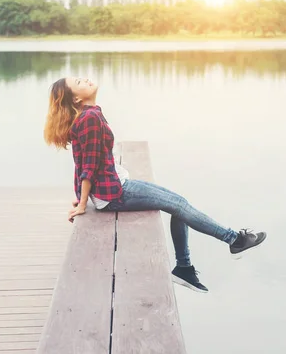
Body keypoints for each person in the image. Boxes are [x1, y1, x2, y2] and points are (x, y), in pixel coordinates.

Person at [43, 77, 267, 293]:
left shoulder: (90, 114)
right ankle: (234, 239)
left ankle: (184, 268)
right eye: (79, 83)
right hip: (115, 193)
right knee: (178, 205)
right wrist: (83, 202)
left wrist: (86, 195)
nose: (86, 80)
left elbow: (83, 159)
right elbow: (87, 165)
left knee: (179, 204)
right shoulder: (89, 118)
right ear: (76, 100)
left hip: (112, 185)